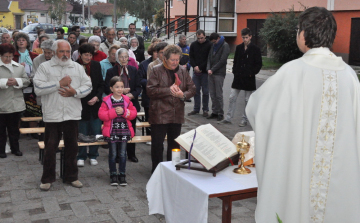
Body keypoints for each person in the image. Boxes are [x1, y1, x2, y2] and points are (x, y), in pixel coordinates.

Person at [246, 7, 360, 223]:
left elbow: (257, 109)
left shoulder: (291, 72)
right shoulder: (350, 76)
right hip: (340, 178)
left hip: (296, 172)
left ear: (304, 34)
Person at [33, 40, 92, 191]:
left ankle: (71, 176)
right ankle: (47, 178)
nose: (65, 55)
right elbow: (38, 88)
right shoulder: (44, 67)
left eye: (67, 51)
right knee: (50, 148)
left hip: (72, 114)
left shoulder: (77, 67)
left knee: (72, 147)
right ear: (54, 52)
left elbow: (88, 86)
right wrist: (59, 83)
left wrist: (75, 92)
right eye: (61, 51)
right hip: (53, 114)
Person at [147, 44, 196, 173]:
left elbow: (193, 88)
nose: (175, 62)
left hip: (176, 114)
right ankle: (156, 171)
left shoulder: (183, 70)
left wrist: (183, 95)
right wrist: (168, 90)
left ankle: (172, 171)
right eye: (172, 60)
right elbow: (150, 91)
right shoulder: (156, 70)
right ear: (165, 59)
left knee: (174, 146)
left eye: (177, 59)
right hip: (159, 114)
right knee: (157, 146)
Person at [104, 48, 141, 163]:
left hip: (130, 104)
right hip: (116, 105)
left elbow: (139, 87)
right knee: (117, 130)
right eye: (121, 57)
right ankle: (118, 155)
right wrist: (121, 92)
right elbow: (107, 87)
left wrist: (132, 95)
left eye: (126, 57)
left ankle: (131, 154)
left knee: (130, 129)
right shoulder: (111, 71)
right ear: (117, 58)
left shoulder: (134, 69)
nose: (124, 59)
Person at [219, 28, 262, 126]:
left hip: (249, 77)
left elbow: (258, 64)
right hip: (238, 77)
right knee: (232, 97)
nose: (245, 39)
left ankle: (244, 119)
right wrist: (235, 71)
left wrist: (252, 73)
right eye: (243, 37)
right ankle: (228, 117)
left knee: (247, 100)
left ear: (250, 37)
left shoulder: (255, 49)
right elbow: (235, 61)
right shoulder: (239, 48)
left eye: (246, 37)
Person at [99, 76, 137, 186]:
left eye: (121, 87)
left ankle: (122, 174)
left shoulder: (126, 100)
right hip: (112, 131)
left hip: (124, 131)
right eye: (117, 87)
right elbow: (101, 115)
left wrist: (125, 112)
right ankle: (113, 174)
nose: (119, 89)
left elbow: (133, 114)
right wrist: (114, 112)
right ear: (111, 88)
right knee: (113, 154)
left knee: (122, 154)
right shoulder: (106, 101)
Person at [75, 43, 104, 167]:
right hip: (80, 103)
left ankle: (93, 154)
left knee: (96, 130)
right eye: (86, 55)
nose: (88, 57)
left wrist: (97, 97)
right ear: (80, 54)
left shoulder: (96, 65)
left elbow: (101, 84)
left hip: (95, 103)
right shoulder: (75, 66)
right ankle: (81, 155)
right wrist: (85, 98)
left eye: (90, 55)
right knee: (82, 131)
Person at [0, 43, 30, 158]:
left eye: (10, 56)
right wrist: (4, 82)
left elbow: (26, 81)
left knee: (14, 129)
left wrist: (17, 81)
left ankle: (15, 148)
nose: (8, 59)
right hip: (1, 104)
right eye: (5, 56)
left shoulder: (19, 67)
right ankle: (1, 150)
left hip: (15, 104)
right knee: (1, 131)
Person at [13, 33, 40, 136]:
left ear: (27, 42)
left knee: (33, 107)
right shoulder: (14, 56)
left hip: (31, 84)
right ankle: (17, 131)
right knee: (18, 110)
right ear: (16, 42)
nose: (21, 41)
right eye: (19, 40)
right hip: (18, 85)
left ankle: (33, 131)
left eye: (23, 40)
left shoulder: (33, 55)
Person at [206, 32, 230, 121]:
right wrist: (208, 68)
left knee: (218, 94)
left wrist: (213, 69)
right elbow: (209, 58)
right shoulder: (213, 45)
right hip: (211, 73)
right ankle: (214, 111)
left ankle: (220, 113)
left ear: (218, 38)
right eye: (212, 42)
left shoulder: (225, 45)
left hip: (219, 73)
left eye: (215, 41)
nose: (214, 43)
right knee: (212, 94)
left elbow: (222, 60)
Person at [188, 29, 212, 117]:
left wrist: (201, 67)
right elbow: (191, 57)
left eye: (202, 38)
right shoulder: (194, 45)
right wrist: (194, 66)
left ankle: (205, 109)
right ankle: (196, 109)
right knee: (196, 90)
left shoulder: (209, 45)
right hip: (196, 71)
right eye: (198, 38)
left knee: (205, 91)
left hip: (205, 71)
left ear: (205, 36)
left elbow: (209, 59)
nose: (200, 40)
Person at [138, 43, 157, 137]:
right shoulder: (144, 64)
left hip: (160, 97)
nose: (158, 54)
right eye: (156, 52)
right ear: (152, 52)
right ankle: (149, 135)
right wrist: (150, 82)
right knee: (148, 116)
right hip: (148, 95)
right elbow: (140, 79)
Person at [31, 39, 54, 106]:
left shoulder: (58, 59)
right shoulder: (37, 60)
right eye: (44, 52)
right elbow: (33, 77)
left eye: (49, 53)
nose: (46, 55)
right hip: (42, 95)